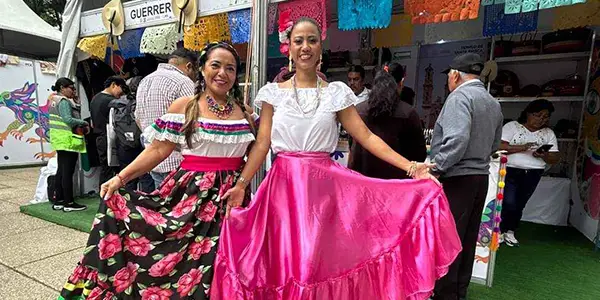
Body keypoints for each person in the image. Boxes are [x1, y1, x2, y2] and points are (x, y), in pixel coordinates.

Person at [210, 18, 462, 299]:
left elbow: (365, 137)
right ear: (288, 48)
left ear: (321, 47)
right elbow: (262, 144)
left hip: (324, 192)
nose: (305, 47)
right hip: (282, 191)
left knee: (313, 263)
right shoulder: (272, 94)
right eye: (298, 41)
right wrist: (243, 184)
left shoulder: (336, 93)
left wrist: (412, 167)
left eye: (312, 40)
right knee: (285, 262)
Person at [58, 42, 257, 300]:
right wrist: (121, 178)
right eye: (215, 65)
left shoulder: (245, 113)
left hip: (232, 199)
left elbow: (255, 152)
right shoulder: (186, 106)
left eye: (230, 68)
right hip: (191, 196)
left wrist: (242, 183)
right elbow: (157, 151)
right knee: (180, 266)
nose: (222, 73)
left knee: (225, 266)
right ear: (201, 69)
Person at [431, 53, 504, 300]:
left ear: (454, 75)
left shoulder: (459, 98)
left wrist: (437, 167)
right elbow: (495, 144)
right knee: (467, 237)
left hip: (457, 177)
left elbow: (457, 140)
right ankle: (459, 291)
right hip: (480, 177)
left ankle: (444, 294)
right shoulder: (493, 102)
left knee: (449, 238)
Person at [349, 63, 427, 179]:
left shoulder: (358, 111)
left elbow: (352, 146)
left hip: (363, 181)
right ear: (401, 82)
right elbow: (419, 154)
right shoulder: (408, 113)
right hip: (396, 183)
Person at [499, 99, 560, 247]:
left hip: (534, 172)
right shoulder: (512, 126)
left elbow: (555, 157)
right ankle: (500, 230)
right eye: (538, 115)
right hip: (510, 170)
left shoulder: (548, 133)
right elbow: (499, 146)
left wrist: (544, 155)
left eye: (545, 117)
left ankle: (510, 231)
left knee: (520, 203)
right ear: (528, 113)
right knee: (508, 202)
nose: (541, 119)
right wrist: (522, 148)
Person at [136, 48, 197, 188]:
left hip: (151, 158)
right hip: (178, 160)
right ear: (189, 66)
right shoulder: (183, 81)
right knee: (180, 206)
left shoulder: (145, 80)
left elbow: (138, 117)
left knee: (163, 205)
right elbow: (193, 118)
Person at [47, 78, 89, 212]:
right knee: (67, 172)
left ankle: (59, 200)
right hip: (67, 140)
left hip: (59, 139)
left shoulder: (53, 100)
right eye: (72, 88)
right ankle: (69, 202)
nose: (74, 90)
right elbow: (68, 119)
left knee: (61, 171)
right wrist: (84, 122)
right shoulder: (63, 101)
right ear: (62, 88)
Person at [107, 76, 155, 192]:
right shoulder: (146, 101)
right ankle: (146, 205)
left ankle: (129, 205)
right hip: (143, 142)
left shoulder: (117, 103)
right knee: (146, 176)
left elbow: (112, 125)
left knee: (127, 176)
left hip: (123, 143)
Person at [90, 76, 128, 190]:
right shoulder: (110, 101)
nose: (121, 93)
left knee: (105, 168)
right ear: (113, 85)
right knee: (113, 169)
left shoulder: (95, 98)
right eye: (121, 88)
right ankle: (108, 199)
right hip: (109, 138)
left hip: (99, 137)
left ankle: (104, 198)